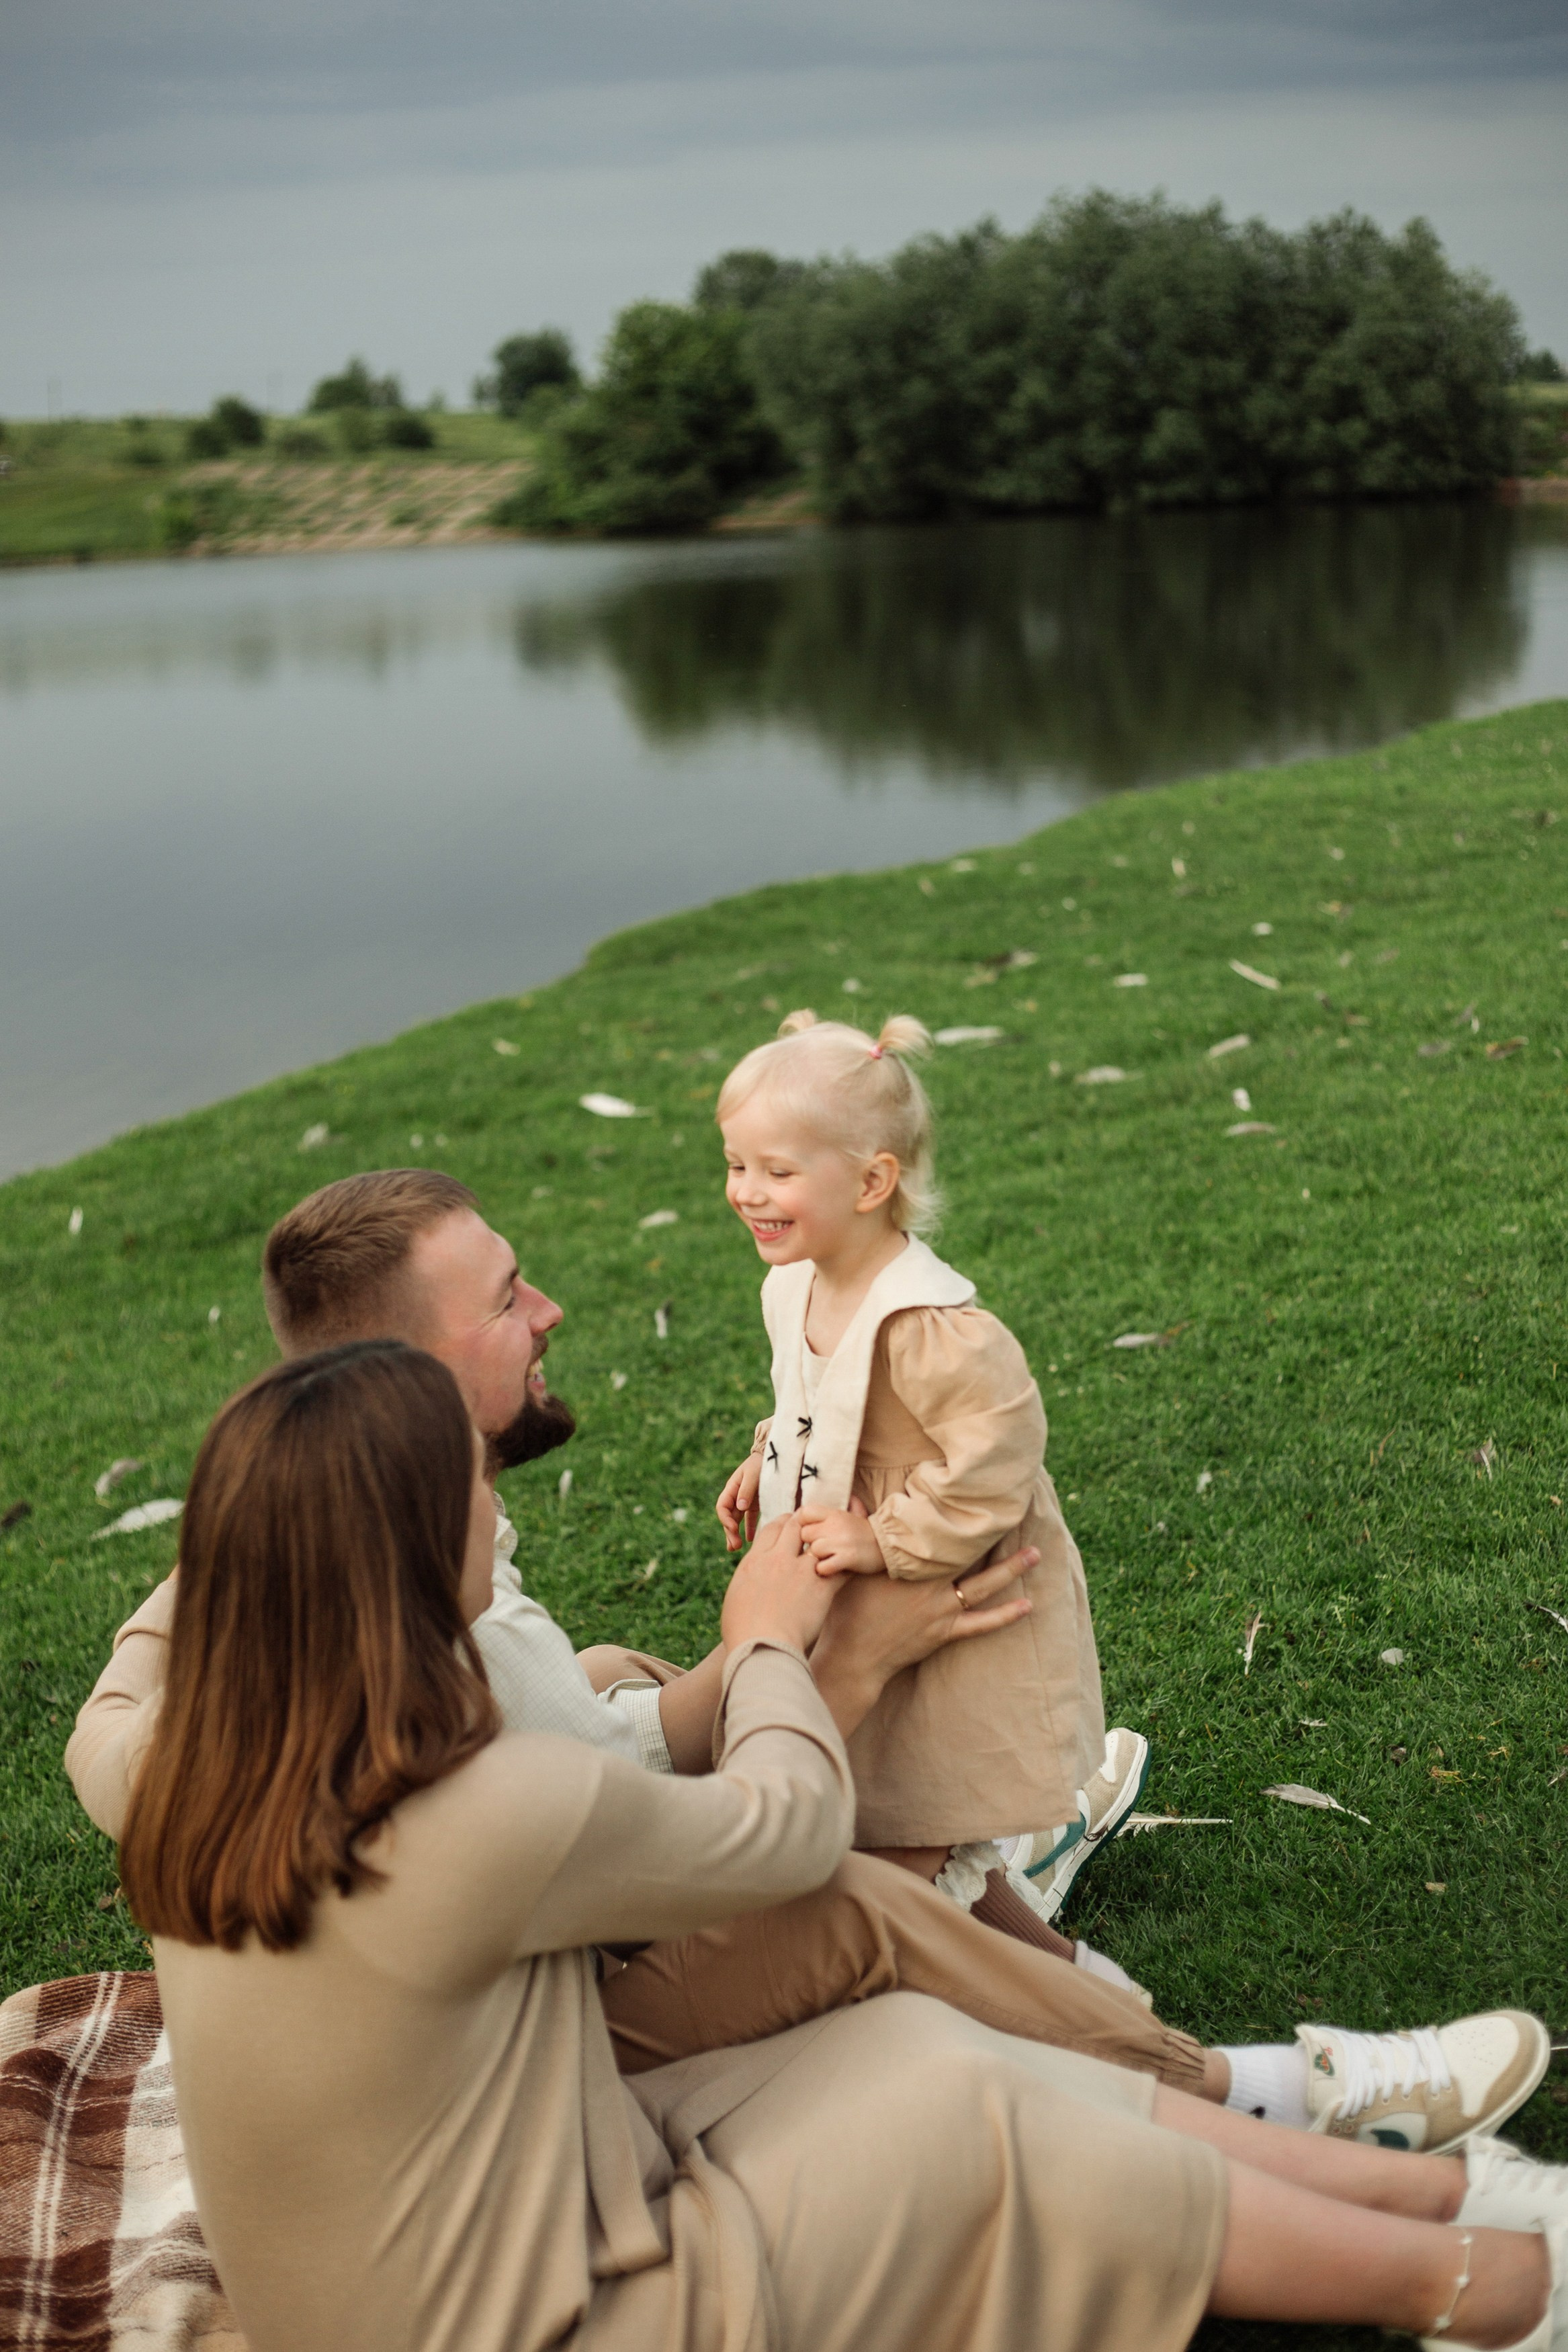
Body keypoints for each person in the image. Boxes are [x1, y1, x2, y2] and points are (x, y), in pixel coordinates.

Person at [110, 1342, 1568, 2352]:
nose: (495, 1499)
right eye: (472, 1483)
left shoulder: (194, 1768)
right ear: (408, 1547)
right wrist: (765, 1640)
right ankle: (1485, 2288)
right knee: (961, 2124)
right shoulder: (487, 1808)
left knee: (926, 2053)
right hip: (549, 2316)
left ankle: (1426, 2192)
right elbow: (786, 1828)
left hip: (487, 2235)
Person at [65, 1168, 1549, 2149]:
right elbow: (751, 1845)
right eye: (509, 1296)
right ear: (404, 1373)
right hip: (554, 2046)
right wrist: (810, 1655)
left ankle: (1017, 1890)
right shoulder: (465, 1652)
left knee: (618, 1671)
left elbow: (132, 1717)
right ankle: (1281, 2095)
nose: (549, 1310)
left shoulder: (303, 1544)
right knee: (860, 1893)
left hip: (488, 1925)